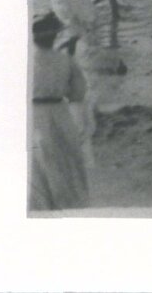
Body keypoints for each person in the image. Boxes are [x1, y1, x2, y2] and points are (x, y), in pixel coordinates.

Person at [30, 11, 92, 211]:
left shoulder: (26, 61)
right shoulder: (65, 59)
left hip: (34, 112)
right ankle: (71, 202)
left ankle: (45, 204)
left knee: (41, 160)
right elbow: (78, 93)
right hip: (59, 111)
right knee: (66, 157)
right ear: (55, 36)